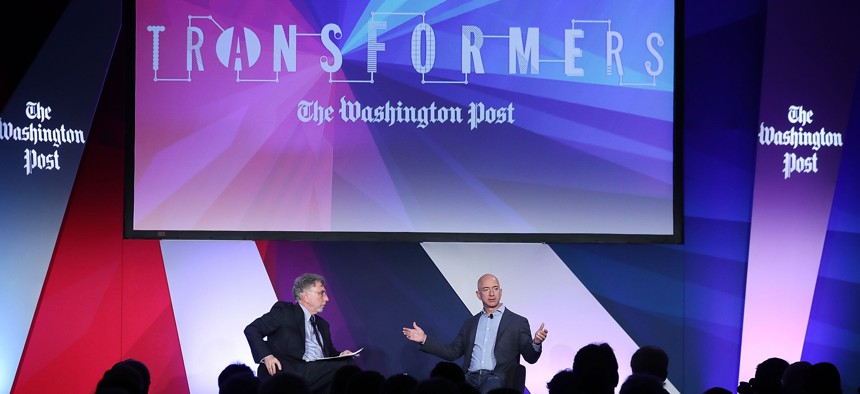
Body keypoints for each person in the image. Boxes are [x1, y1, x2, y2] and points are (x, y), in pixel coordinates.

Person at [402, 273, 548, 394]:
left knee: (490, 388)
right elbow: (452, 352)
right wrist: (424, 339)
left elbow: (530, 357)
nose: (492, 293)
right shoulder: (470, 323)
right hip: (469, 377)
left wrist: (536, 343)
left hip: (498, 378)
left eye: (495, 288)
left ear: (501, 292)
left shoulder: (517, 322)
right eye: (486, 289)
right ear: (478, 294)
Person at [244, 273, 358, 394]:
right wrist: (267, 356)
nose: (326, 298)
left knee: (346, 365)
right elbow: (252, 329)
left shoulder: (323, 324)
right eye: (321, 293)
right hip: (291, 371)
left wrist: (341, 355)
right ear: (306, 296)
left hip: (316, 372)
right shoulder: (284, 312)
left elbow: (329, 353)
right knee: (347, 367)